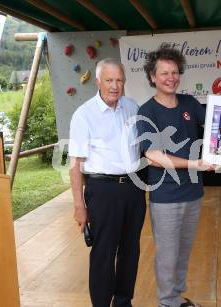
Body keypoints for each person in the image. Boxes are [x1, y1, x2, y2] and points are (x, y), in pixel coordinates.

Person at [136, 44, 215, 307]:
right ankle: (167, 302)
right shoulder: (147, 111)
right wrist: (195, 164)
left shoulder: (190, 103)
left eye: (175, 72)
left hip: (193, 193)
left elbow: (218, 122)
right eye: (164, 73)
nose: (171, 77)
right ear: (152, 77)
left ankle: (176, 298)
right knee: (168, 256)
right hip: (166, 196)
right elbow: (153, 155)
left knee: (182, 254)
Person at [69, 58, 146, 307]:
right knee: (104, 252)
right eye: (110, 80)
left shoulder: (133, 108)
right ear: (98, 82)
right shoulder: (84, 115)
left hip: (133, 188)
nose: (115, 85)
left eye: (119, 80)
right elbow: (75, 166)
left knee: (130, 250)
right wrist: (79, 205)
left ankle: (123, 301)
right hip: (102, 191)